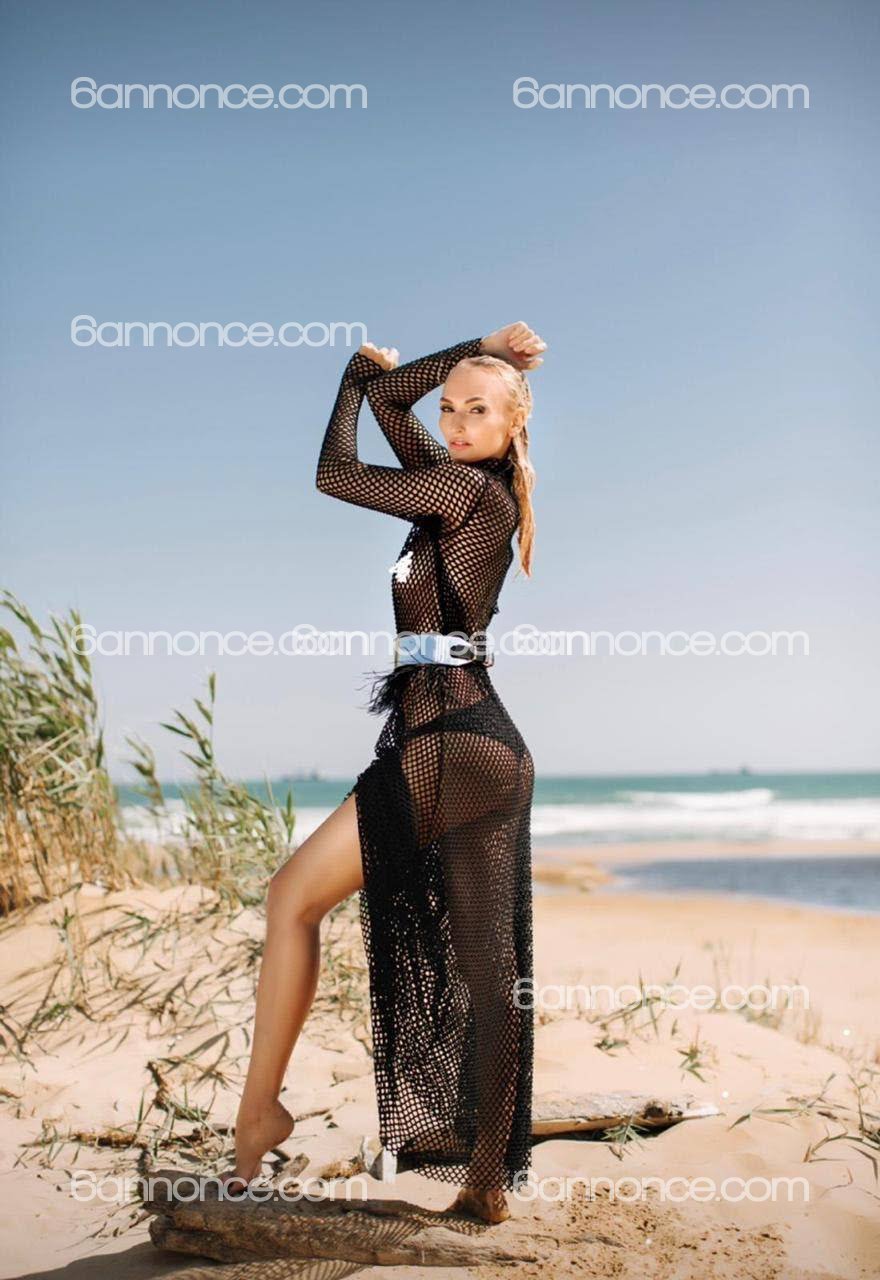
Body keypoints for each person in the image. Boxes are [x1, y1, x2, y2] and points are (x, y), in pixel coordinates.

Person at [222, 321, 545, 1224]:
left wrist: (348, 377)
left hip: (450, 743)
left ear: (513, 425)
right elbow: (394, 400)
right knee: (486, 971)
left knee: (291, 899)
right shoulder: (454, 487)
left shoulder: (465, 489)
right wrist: (473, 346)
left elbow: (334, 472)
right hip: (482, 748)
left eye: (478, 411)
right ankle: (488, 1181)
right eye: (450, 411)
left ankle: (258, 1116)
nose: (456, 423)